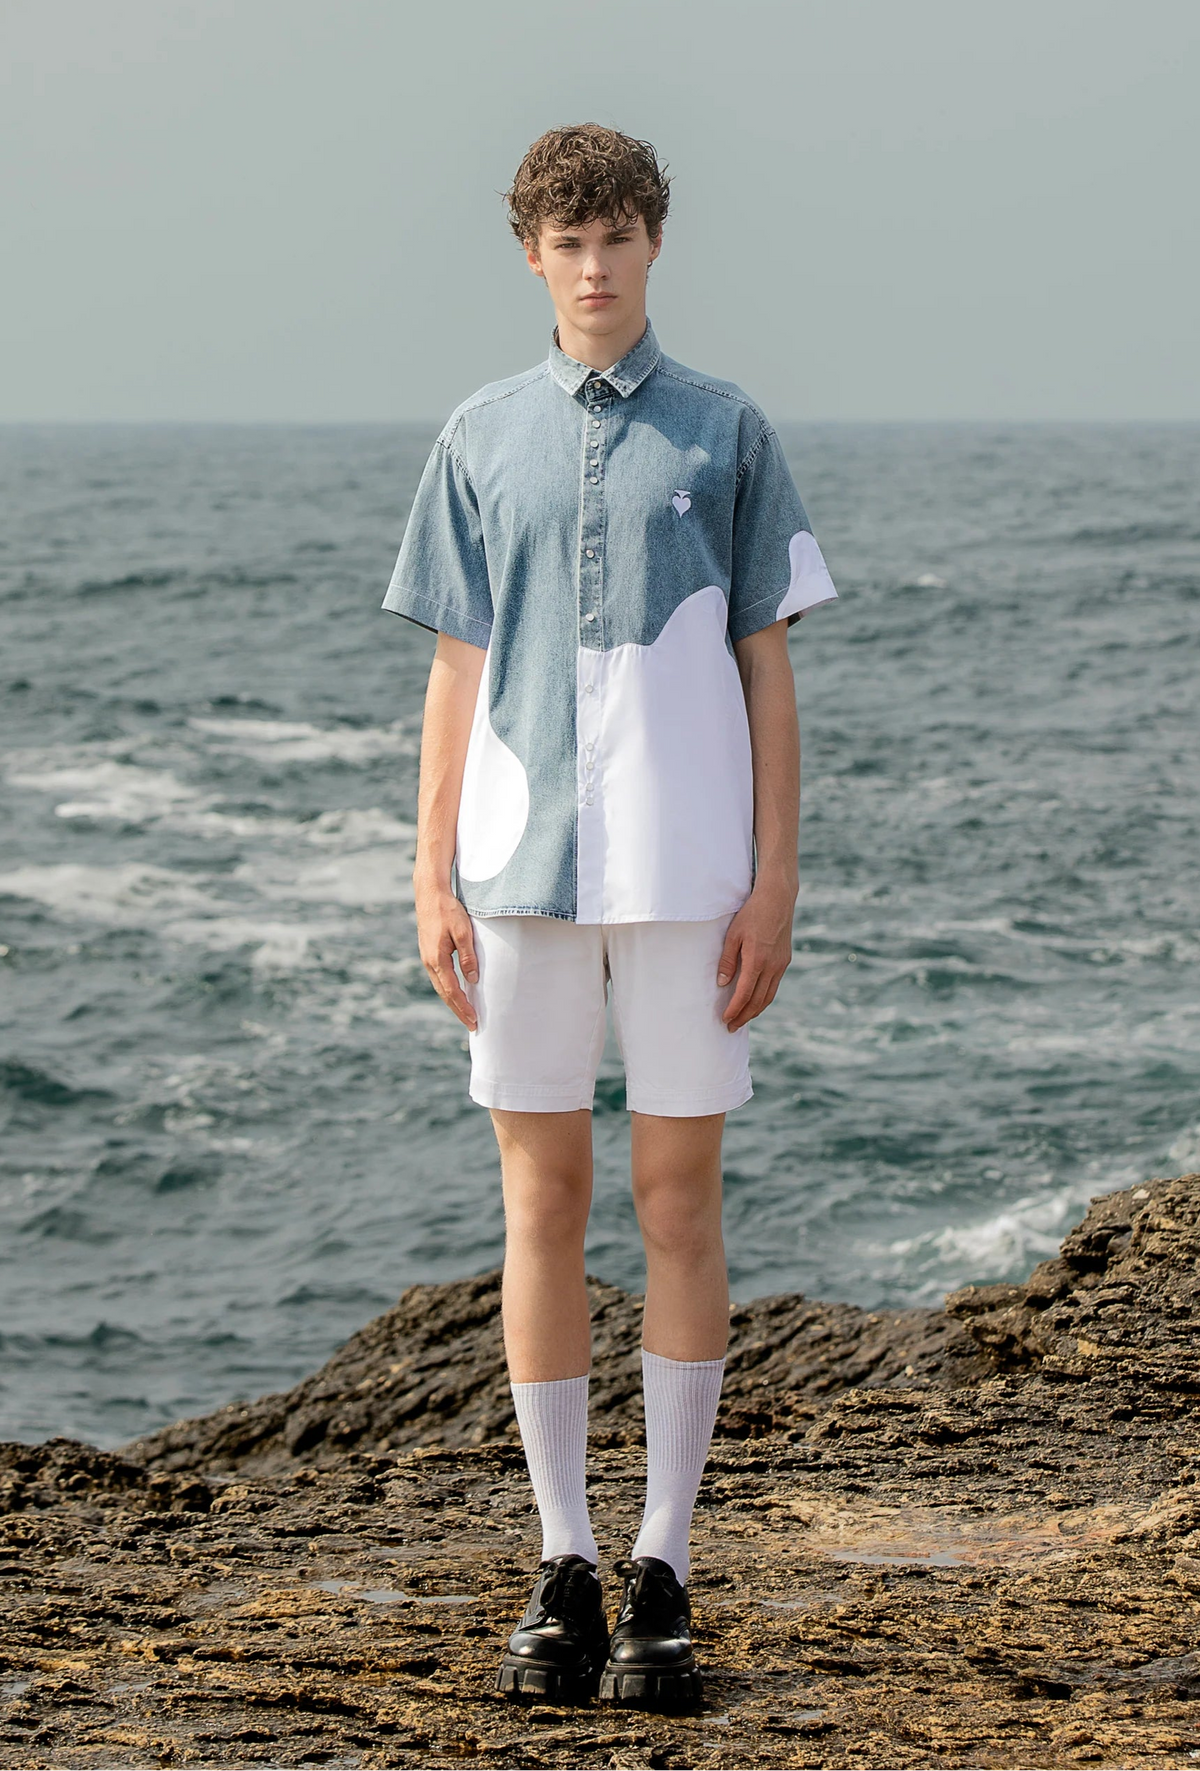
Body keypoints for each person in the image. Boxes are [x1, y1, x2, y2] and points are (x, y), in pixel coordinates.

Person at [380, 123, 837, 1710]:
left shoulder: (727, 431)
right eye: (567, 241)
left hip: (690, 882)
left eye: (618, 237)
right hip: (520, 881)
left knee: (677, 1203)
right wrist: (429, 872)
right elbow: (453, 667)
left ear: (655, 247)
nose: (594, 265)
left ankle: (665, 1564)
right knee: (542, 1203)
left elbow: (769, 669)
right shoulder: (479, 436)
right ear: (531, 256)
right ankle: (563, 1555)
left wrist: (777, 875)